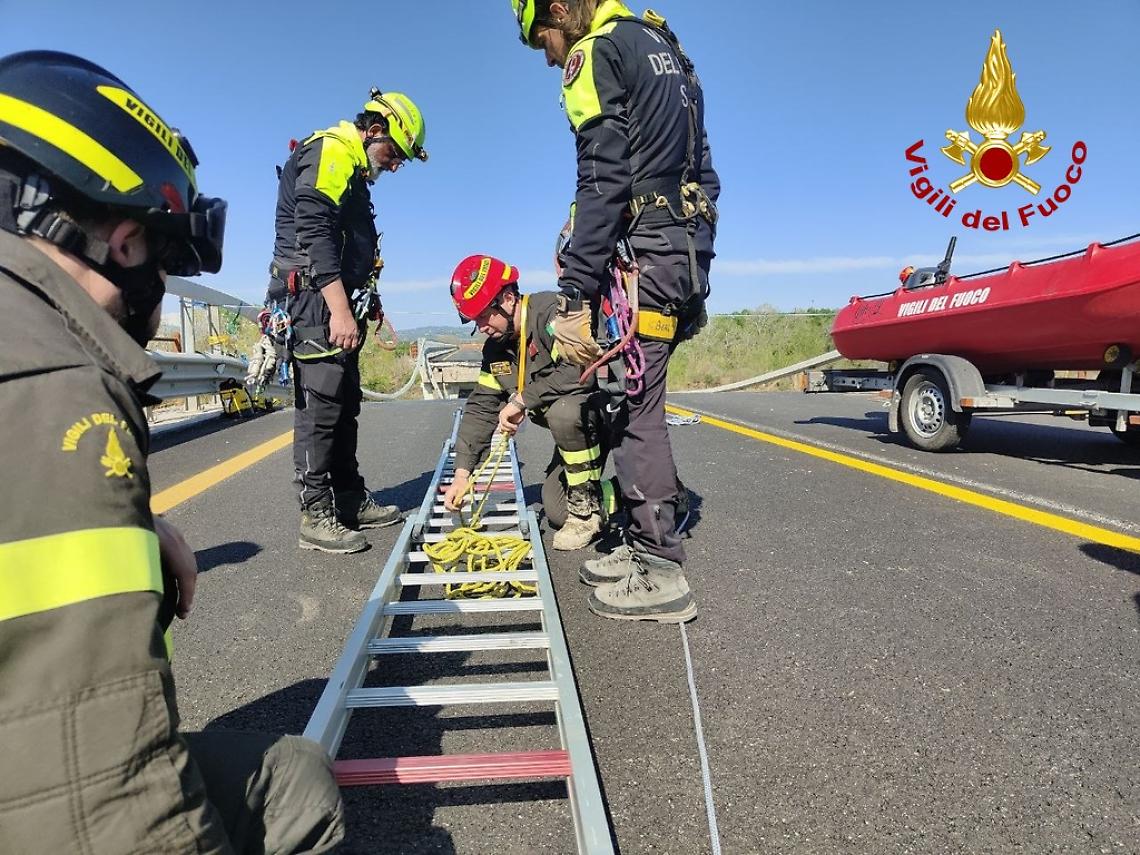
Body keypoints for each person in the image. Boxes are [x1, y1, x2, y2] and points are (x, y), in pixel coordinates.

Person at [0, 51, 343, 852]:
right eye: (163, 258)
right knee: (297, 789)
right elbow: (114, 804)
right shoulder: (57, 385)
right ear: (125, 244)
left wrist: (128, 522)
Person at [511, 0, 720, 622]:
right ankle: (637, 538)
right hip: (682, 247)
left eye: (543, 40)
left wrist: (576, 290)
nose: (549, 57)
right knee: (633, 398)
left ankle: (659, 566)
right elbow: (704, 171)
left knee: (637, 408)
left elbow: (602, 180)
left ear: (558, 10)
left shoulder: (594, 51)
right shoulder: (665, 44)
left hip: (646, 255)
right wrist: (692, 255)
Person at [269, 89, 428, 553]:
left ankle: (349, 498)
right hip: (316, 301)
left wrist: (360, 299)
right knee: (321, 407)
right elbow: (313, 231)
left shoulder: (352, 168)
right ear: (375, 131)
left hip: (336, 300)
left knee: (344, 402)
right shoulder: (333, 151)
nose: (394, 165)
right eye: (394, 153)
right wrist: (339, 308)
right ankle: (316, 514)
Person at [443, 254, 618, 550]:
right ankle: (644, 493)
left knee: (563, 412)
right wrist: (462, 475)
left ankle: (585, 515)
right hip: (572, 435)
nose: (481, 327)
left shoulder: (552, 314)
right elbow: (481, 408)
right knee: (556, 510)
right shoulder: (497, 350)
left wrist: (522, 400)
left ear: (508, 299)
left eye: (484, 316)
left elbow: (579, 371)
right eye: (475, 320)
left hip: (596, 416)